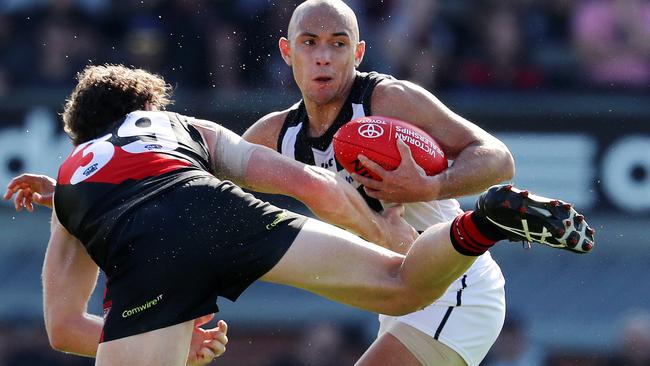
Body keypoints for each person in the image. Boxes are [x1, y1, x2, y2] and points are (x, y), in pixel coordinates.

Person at [4, 63, 592, 366]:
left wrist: (179, 347)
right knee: (401, 285)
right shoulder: (181, 127)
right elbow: (308, 182)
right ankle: (482, 221)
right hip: (211, 205)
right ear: (146, 109)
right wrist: (385, 245)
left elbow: (62, 329)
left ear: (81, 137)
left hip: (143, 255)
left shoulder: (72, 177)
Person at [241, 1, 592, 365]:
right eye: (309, 42)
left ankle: (488, 219)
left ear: (359, 53)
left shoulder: (388, 99)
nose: (323, 57)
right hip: (399, 296)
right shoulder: (275, 135)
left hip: (455, 289)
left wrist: (434, 185)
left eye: (339, 43)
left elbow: (498, 158)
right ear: (286, 50)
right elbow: (205, 191)